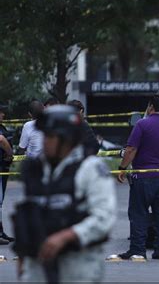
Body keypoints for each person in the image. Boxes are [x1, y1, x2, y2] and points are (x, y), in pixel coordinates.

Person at [13, 105, 117, 282]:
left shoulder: (90, 168)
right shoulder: (35, 169)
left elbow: (104, 217)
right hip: (37, 267)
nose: (45, 141)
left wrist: (67, 236)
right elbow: (27, 215)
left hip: (78, 267)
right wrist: (23, 255)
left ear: (67, 138)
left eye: (50, 136)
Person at [117, 94, 159, 260]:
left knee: (139, 213)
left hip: (144, 176)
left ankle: (138, 249)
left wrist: (122, 168)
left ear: (151, 107)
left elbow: (131, 150)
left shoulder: (142, 124)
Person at [0, 103, 14, 245]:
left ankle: (1, 231)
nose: (3, 115)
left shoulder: (2, 127)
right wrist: (10, 154)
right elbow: (2, 140)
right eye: (1, 112)